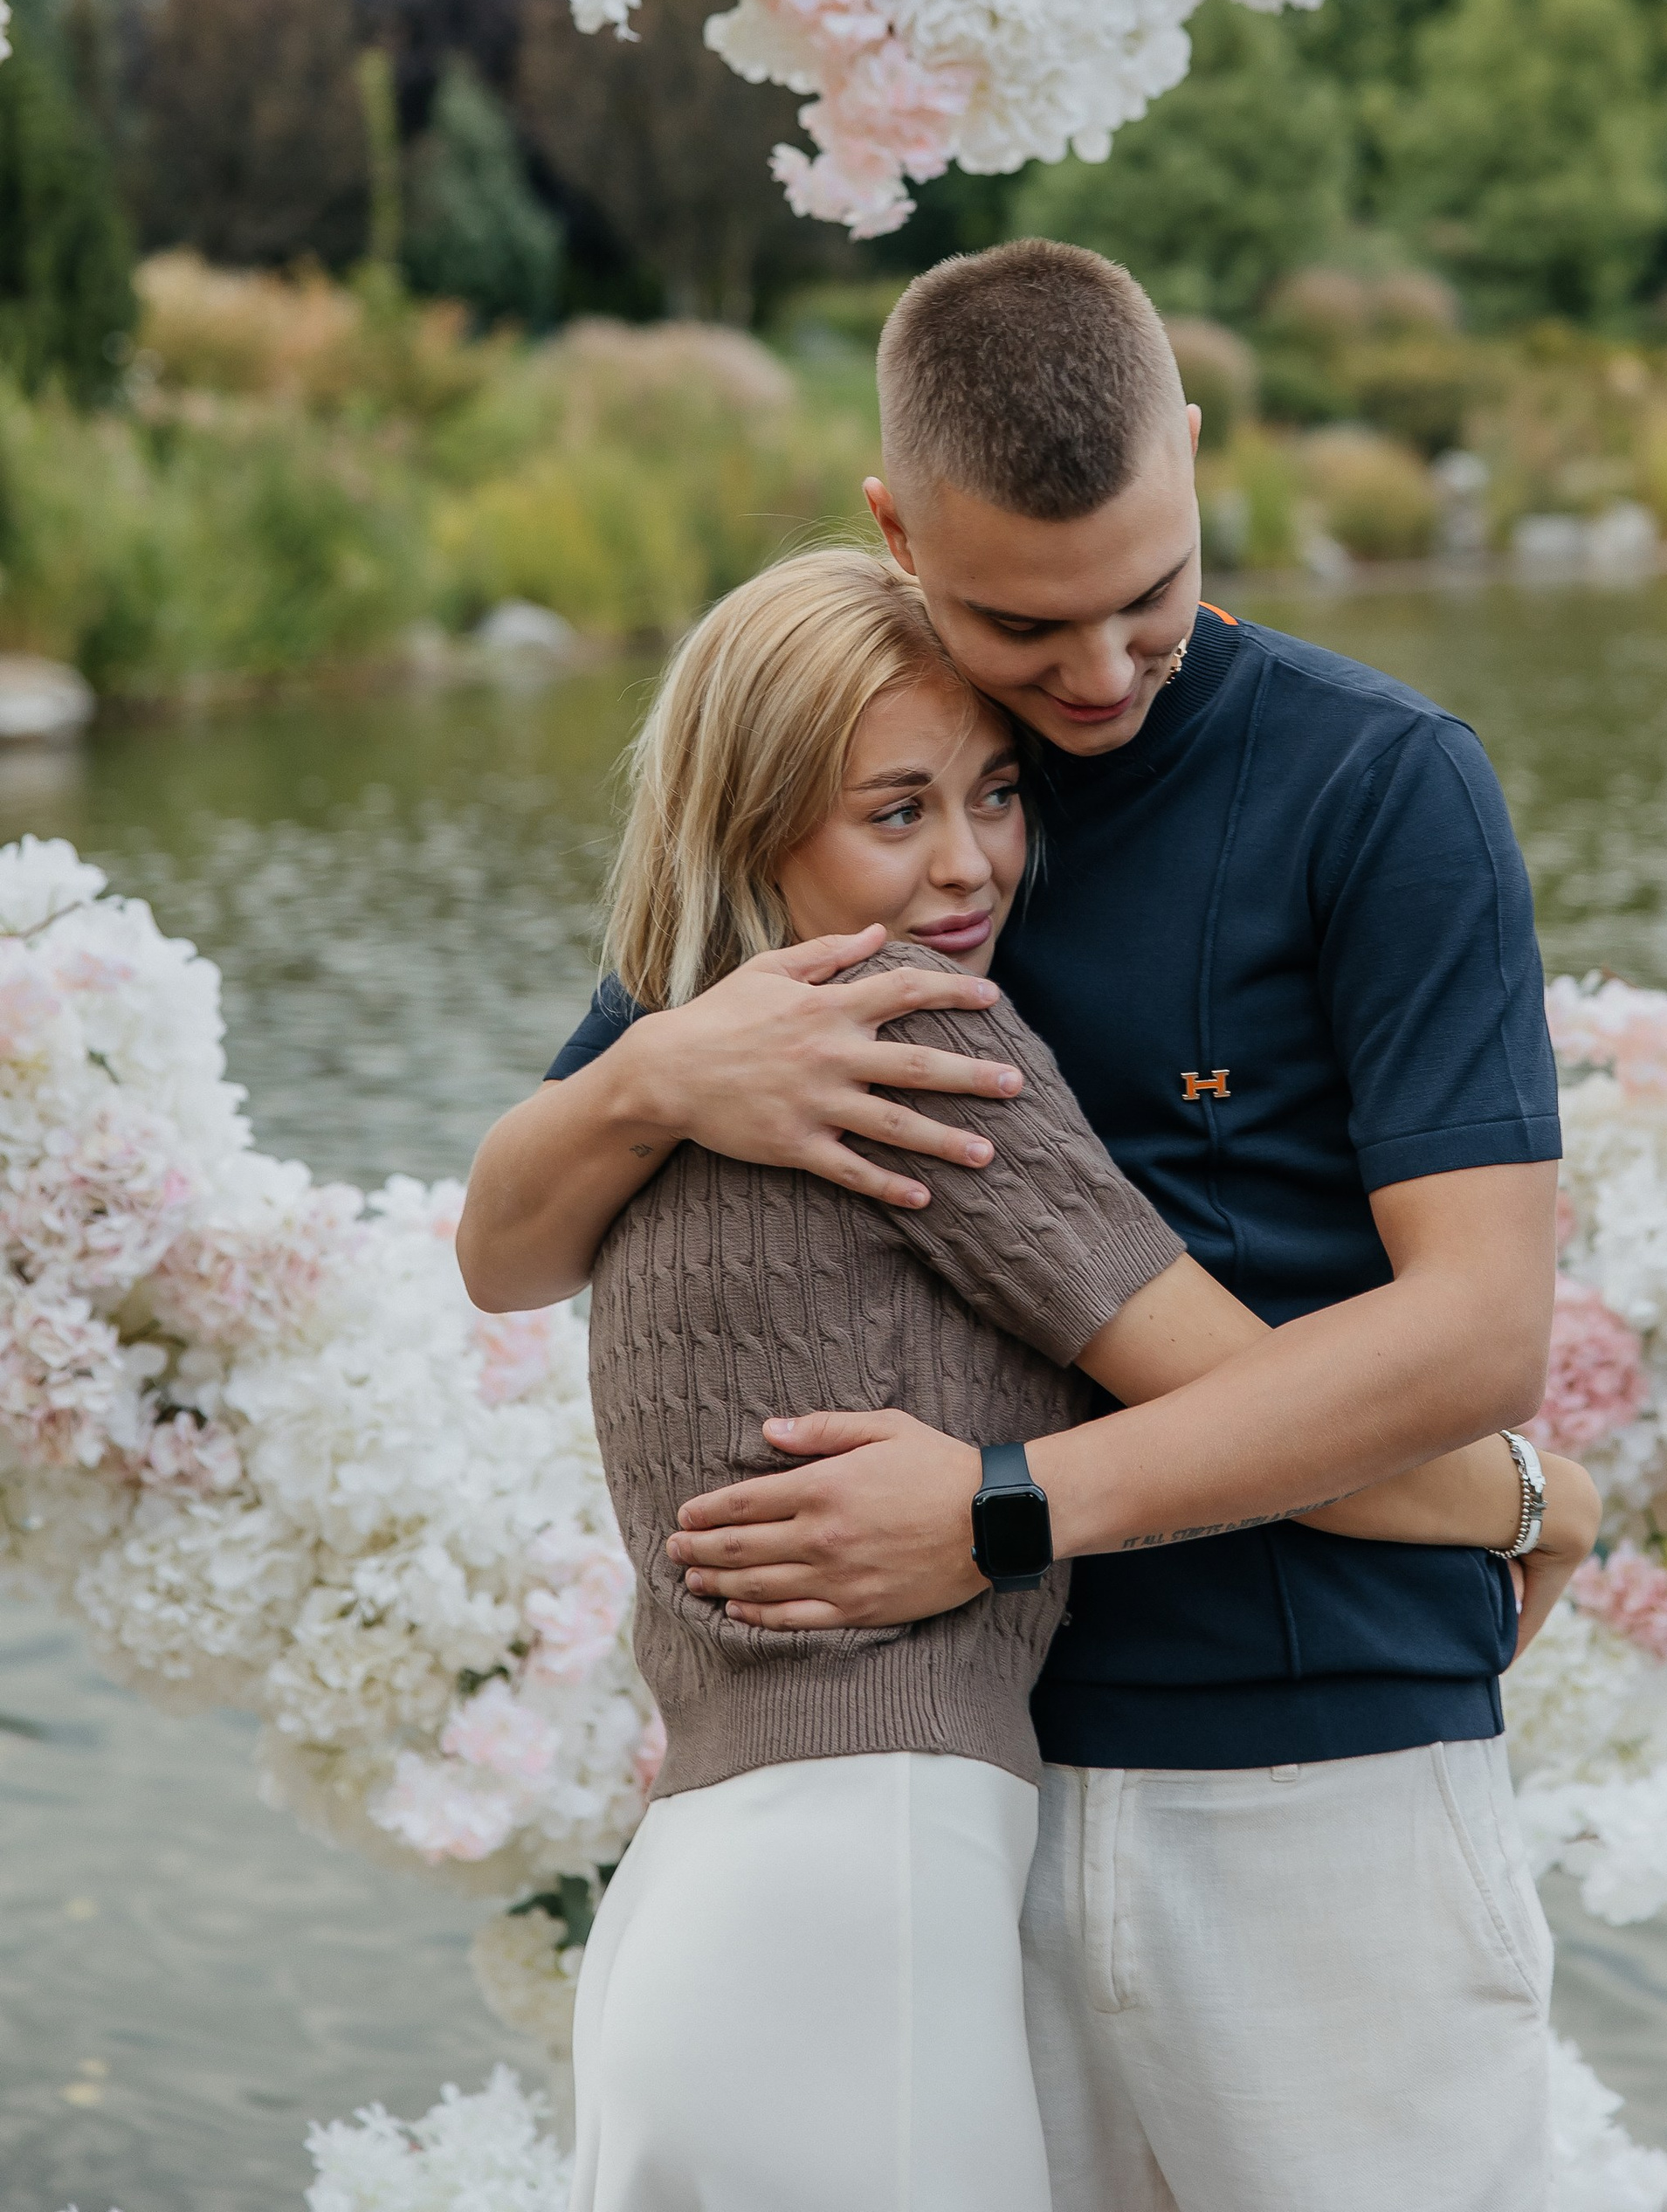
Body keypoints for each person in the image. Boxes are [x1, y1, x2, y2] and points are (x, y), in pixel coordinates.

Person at [461, 241, 1567, 2211]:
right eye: (1017, 623)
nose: (1094, 675)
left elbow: (1473, 1335)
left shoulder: (1378, 787)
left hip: (1315, 1775)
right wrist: (649, 1080)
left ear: (1196, 459)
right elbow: (513, 1245)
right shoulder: (859, 803)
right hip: (964, 1806)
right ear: (894, 530)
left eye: (1145, 596)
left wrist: (998, 1504)